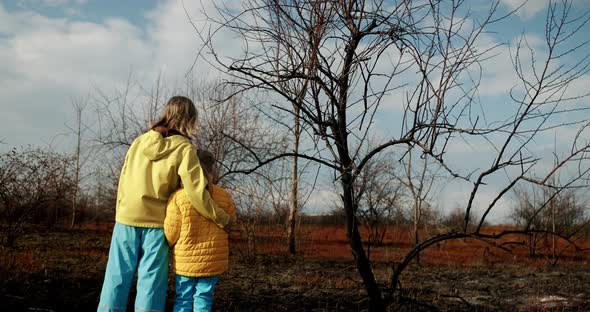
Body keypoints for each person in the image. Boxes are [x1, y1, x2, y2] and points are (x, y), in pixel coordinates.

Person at [97, 96, 232, 312]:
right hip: (157, 223)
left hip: (126, 217)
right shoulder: (184, 149)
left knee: (116, 276)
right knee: (151, 282)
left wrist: (120, 210)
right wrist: (222, 218)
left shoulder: (140, 141)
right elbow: (196, 193)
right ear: (189, 119)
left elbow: (124, 178)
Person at [164, 149, 237, 312]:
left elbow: (171, 232)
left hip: (185, 259)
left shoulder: (179, 197)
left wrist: (166, 247)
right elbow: (232, 222)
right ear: (211, 169)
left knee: (183, 298)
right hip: (212, 258)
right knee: (203, 297)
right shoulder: (223, 195)